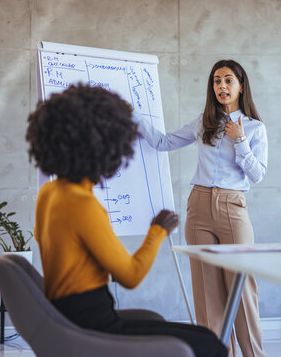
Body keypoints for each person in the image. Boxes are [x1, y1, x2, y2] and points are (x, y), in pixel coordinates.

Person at [26, 84, 227, 357]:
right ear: (105, 148)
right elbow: (130, 276)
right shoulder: (82, 203)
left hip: (66, 316)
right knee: (210, 344)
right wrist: (158, 230)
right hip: (94, 325)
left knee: (199, 335)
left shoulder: (49, 192)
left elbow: (47, 240)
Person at [134, 60, 267, 357]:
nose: (221, 86)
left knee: (242, 290)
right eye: (216, 81)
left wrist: (240, 141)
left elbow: (257, 175)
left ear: (241, 86)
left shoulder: (256, 128)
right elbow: (163, 142)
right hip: (198, 207)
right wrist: (133, 116)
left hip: (233, 208)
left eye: (228, 80)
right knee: (207, 294)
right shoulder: (202, 122)